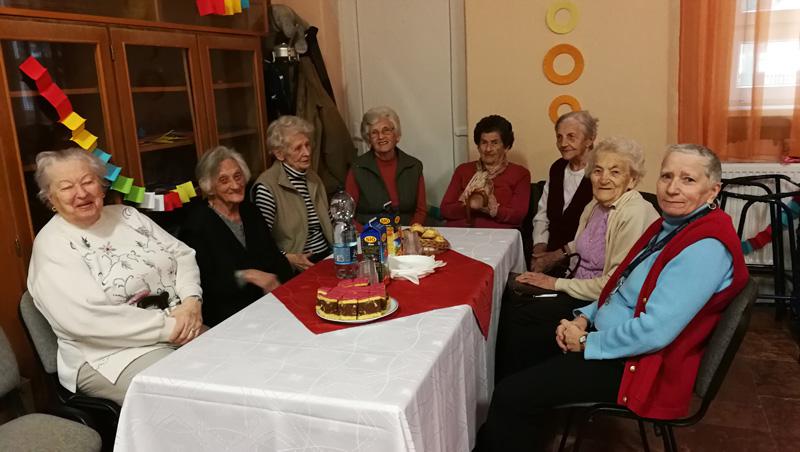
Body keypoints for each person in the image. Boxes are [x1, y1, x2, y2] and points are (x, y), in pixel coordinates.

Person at [476, 144, 750, 451]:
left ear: (713, 191)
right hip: (611, 338)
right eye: (667, 176)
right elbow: (620, 286)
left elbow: (654, 332)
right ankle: (518, 429)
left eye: (688, 180)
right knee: (520, 339)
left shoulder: (705, 247)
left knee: (510, 394)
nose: (672, 188)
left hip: (639, 365)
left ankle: (511, 424)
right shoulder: (669, 226)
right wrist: (584, 317)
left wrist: (585, 342)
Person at [26, 148, 203, 406]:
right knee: (193, 393)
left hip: (180, 325)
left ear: (101, 186)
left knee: (234, 361)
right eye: (66, 187)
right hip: (111, 355)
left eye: (88, 181)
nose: (81, 193)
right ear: (50, 198)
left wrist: (191, 301)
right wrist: (170, 327)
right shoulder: (52, 244)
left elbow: (182, 254)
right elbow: (87, 320)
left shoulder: (127, 216)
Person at [496, 137, 659, 376]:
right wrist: (552, 257)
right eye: (598, 171)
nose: (604, 178)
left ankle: (521, 384)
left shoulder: (634, 213)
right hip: (577, 287)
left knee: (519, 318)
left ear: (632, 180)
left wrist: (555, 283)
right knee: (509, 300)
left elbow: (614, 284)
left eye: (615, 172)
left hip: (597, 301)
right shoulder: (595, 205)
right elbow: (584, 242)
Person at [181, 146, 293, 327]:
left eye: (238, 176)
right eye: (224, 180)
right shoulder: (197, 224)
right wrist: (248, 275)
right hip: (228, 317)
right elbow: (204, 282)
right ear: (210, 187)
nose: (235, 185)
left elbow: (274, 258)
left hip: (266, 305)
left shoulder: (251, 211)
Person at [252, 115, 333, 272]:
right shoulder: (267, 187)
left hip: (328, 256)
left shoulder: (313, 177)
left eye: (307, 145)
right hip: (297, 266)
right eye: (298, 148)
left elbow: (329, 222)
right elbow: (262, 243)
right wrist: (287, 257)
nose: (307, 152)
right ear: (279, 154)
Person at [531, 111, 598, 271]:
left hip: (582, 261)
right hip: (549, 254)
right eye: (559, 137)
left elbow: (595, 232)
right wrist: (539, 248)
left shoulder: (599, 174)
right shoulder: (557, 168)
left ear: (589, 139)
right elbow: (542, 214)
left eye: (571, 137)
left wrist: (555, 257)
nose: (563, 143)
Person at [440, 115, 531, 228]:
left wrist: (494, 210)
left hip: (497, 234)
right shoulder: (463, 170)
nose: (488, 149)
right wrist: (468, 205)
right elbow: (445, 210)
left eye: (494, 143)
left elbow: (518, 215)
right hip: (460, 232)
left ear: (506, 147)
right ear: (478, 146)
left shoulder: (520, 173)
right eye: (484, 142)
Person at [345, 106, 427, 226]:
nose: (381, 137)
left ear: (396, 135)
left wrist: (411, 231)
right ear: (369, 139)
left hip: (407, 232)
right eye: (374, 132)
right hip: (370, 234)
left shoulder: (414, 166)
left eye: (386, 130)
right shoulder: (357, 168)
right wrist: (367, 233)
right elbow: (347, 214)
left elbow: (421, 210)